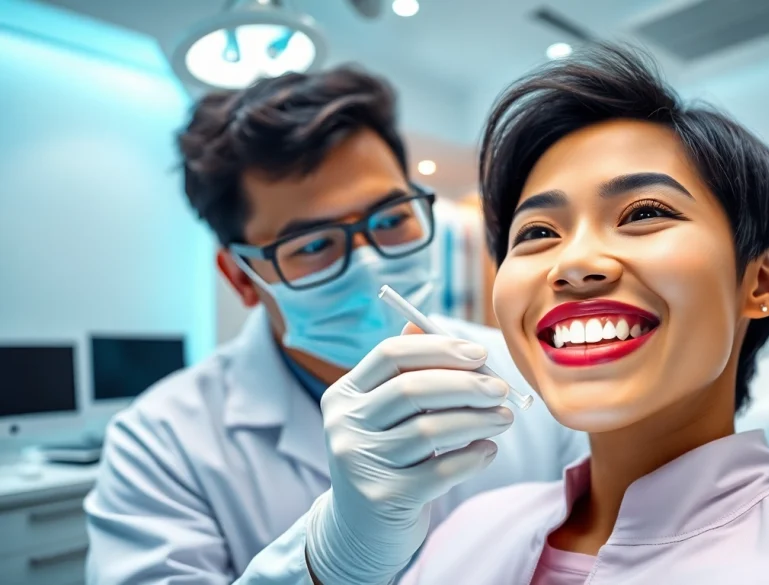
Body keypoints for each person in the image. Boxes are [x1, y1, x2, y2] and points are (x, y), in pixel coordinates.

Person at [398, 45, 769, 584]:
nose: (575, 264)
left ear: (764, 281)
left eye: (644, 214)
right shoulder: (467, 530)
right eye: (538, 232)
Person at [84, 64, 587, 585]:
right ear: (240, 278)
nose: (370, 261)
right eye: (314, 245)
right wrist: (331, 561)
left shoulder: (530, 368)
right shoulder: (159, 445)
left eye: (391, 219)